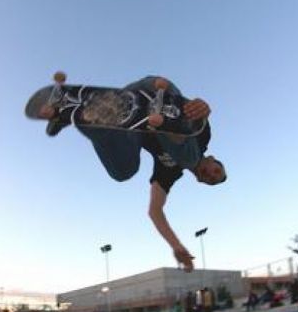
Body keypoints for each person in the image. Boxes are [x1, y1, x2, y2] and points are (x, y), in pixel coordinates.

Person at [27, 75, 226, 272]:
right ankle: (163, 114)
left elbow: (155, 211)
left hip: (126, 110)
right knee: (191, 157)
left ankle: (79, 115)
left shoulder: (170, 172)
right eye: (216, 170)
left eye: (210, 180)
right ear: (213, 158)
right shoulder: (203, 138)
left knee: (123, 172)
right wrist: (202, 108)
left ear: (200, 181)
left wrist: (176, 246)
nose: (210, 174)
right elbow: (198, 112)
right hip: (157, 89)